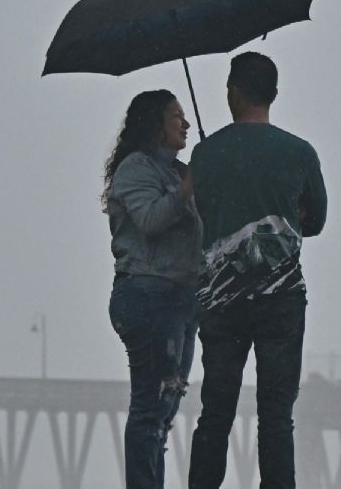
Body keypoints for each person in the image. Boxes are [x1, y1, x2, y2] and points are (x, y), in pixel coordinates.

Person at [187, 52, 327, 489]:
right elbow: (317, 221)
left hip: (221, 301)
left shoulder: (206, 153)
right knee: (276, 413)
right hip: (281, 299)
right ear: (275, 94)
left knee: (216, 412)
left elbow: (198, 214)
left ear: (232, 91)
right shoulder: (299, 152)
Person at [103, 90, 204, 489]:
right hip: (146, 295)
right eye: (177, 117)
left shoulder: (180, 172)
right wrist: (188, 188)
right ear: (155, 125)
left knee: (165, 408)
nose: (186, 124)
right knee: (149, 407)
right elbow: (148, 219)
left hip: (180, 300)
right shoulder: (136, 168)